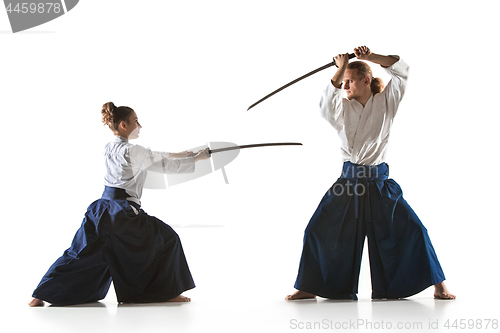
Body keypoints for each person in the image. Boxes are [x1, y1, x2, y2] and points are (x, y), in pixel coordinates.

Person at [285, 46, 455, 301]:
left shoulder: (387, 100)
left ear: (366, 80)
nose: (345, 87)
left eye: (350, 81)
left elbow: (403, 72)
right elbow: (324, 106)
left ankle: (439, 285)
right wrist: (341, 68)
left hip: (378, 182)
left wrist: (370, 58)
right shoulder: (341, 108)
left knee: (414, 229)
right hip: (348, 182)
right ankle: (310, 286)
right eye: (343, 82)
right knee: (316, 230)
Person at [29, 102, 210, 306]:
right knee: (167, 239)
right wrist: (197, 159)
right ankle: (165, 292)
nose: (139, 125)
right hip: (123, 214)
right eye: (135, 121)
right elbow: (162, 164)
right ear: (124, 125)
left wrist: (182, 154)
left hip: (101, 210)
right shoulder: (134, 151)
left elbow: (153, 156)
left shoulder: (110, 147)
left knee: (80, 252)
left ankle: (40, 294)